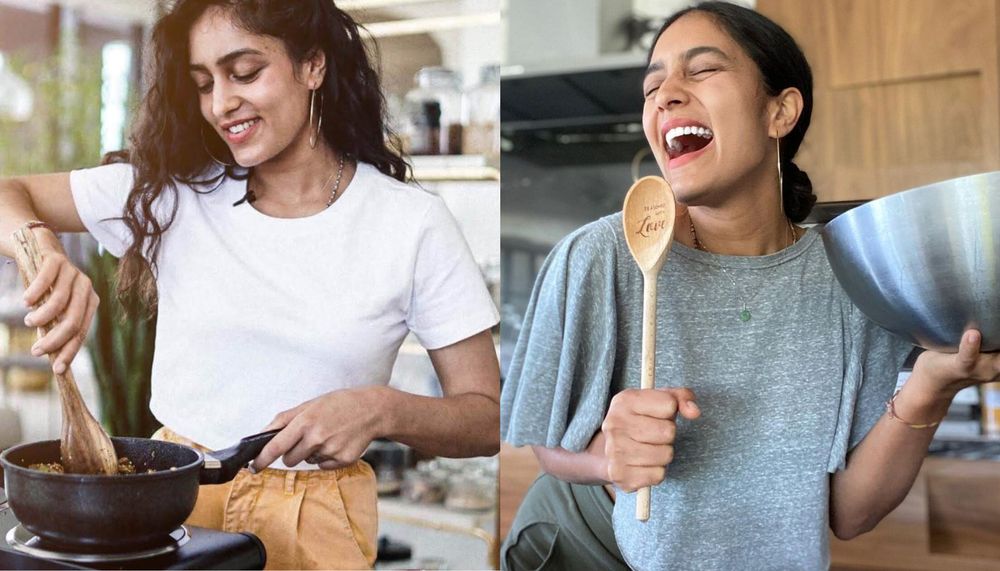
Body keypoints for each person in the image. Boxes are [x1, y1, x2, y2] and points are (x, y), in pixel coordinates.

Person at [499, 2, 1000, 570]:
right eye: (652, 85)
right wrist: (607, 456)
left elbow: (849, 514)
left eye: (703, 69)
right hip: (592, 548)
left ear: (780, 111)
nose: (665, 94)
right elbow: (548, 444)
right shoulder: (603, 255)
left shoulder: (852, 274)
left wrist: (931, 387)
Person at [0, 1, 500, 569]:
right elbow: (7, 192)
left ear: (313, 65)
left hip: (318, 522)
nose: (220, 104)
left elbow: (486, 418)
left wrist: (381, 410)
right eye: (203, 83)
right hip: (172, 504)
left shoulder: (412, 223)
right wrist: (38, 246)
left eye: (244, 73)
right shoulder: (175, 192)